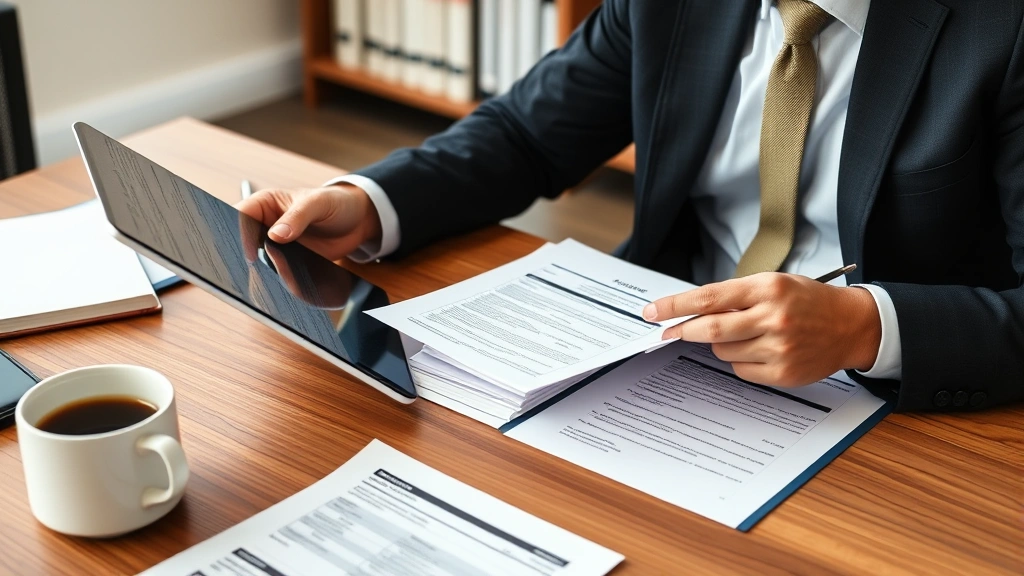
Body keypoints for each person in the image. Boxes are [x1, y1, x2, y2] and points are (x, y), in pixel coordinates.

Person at [237, 0, 1024, 412]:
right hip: (653, 351)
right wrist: (370, 203)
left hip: (889, 393)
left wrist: (864, 325)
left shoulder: (1007, 31)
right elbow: (526, 135)